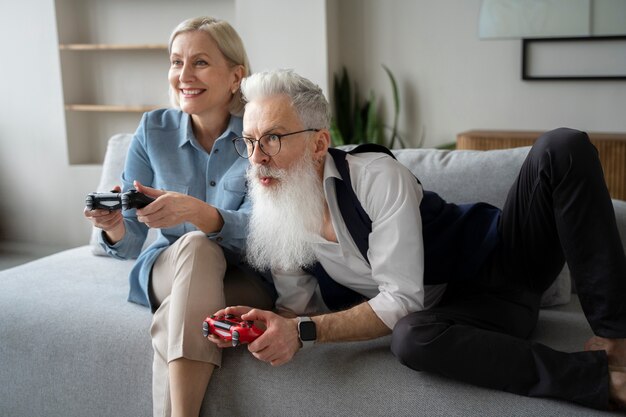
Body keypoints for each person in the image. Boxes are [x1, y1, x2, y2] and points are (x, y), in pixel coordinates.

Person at [207, 69, 626, 410]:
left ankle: (616, 337)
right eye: (249, 141)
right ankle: (599, 381)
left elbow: (398, 298)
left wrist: (301, 332)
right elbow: (299, 308)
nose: (257, 156)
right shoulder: (276, 207)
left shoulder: (374, 176)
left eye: (273, 138)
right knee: (411, 339)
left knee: (562, 146)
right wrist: (265, 325)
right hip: (467, 318)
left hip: (504, 261)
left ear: (319, 143)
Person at [84, 17, 274, 417]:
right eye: (175, 62)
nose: (183, 75)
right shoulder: (153, 129)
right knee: (195, 247)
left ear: (235, 75)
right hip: (169, 268)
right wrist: (116, 226)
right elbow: (132, 243)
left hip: (245, 276)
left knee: (177, 311)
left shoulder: (260, 134)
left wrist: (202, 214)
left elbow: (265, 232)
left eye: (200, 62)